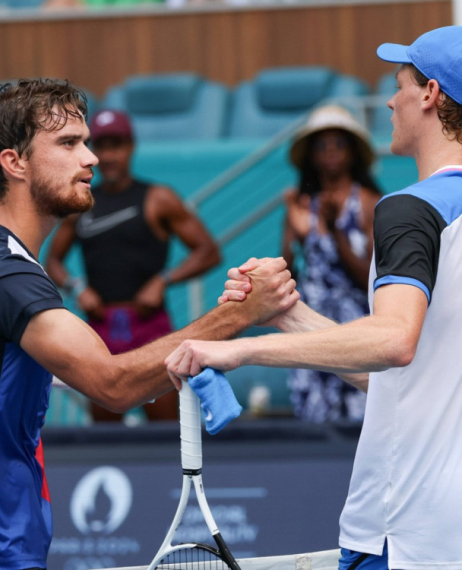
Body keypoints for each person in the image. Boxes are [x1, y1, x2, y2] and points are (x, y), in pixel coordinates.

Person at [0, 78, 298, 570]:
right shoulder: (2, 277)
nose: (91, 158)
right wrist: (240, 314)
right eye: (69, 144)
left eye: (87, 143)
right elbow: (114, 383)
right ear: (14, 163)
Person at [166, 26, 462, 570]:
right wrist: (287, 314)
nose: (391, 100)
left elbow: (394, 342)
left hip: (408, 535)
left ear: (431, 94)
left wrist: (239, 350)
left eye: (399, 84)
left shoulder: (408, 209)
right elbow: (406, 377)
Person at [46, 109, 220, 422]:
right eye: (102, 146)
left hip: (150, 327)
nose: (109, 155)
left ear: (131, 148)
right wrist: (77, 287)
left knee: (168, 429)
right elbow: (53, 261)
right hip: (99, 331)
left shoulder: (157, 199)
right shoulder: (81, 203)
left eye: (117, 145)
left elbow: (208, 251)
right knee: (106, 432)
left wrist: (163, 280)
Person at [282, 105, 381, 422]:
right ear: (311, 156)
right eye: (322, 145)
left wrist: (335, 229)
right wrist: (292, 237)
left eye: (339, 144)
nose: (331, 152)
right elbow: (289, 269)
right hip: (310, 317)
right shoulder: (300, 204)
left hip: (354, 321)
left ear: (352, 153)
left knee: (359, 409)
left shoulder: (369, 203)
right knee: (314, 408)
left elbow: (371, 276)